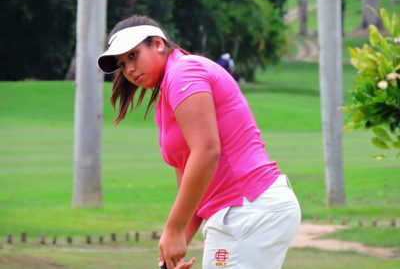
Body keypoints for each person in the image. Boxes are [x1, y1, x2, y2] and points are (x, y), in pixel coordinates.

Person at [97, 15, 301, 269]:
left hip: (246, 209)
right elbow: (192, 186)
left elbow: (206, 152)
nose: (128, 69)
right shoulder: (168, 98)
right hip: (245, 211)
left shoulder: (184, 72)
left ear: (158, 44)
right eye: (121, 63)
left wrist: (173, 229)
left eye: (133, 55)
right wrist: (172, 253)